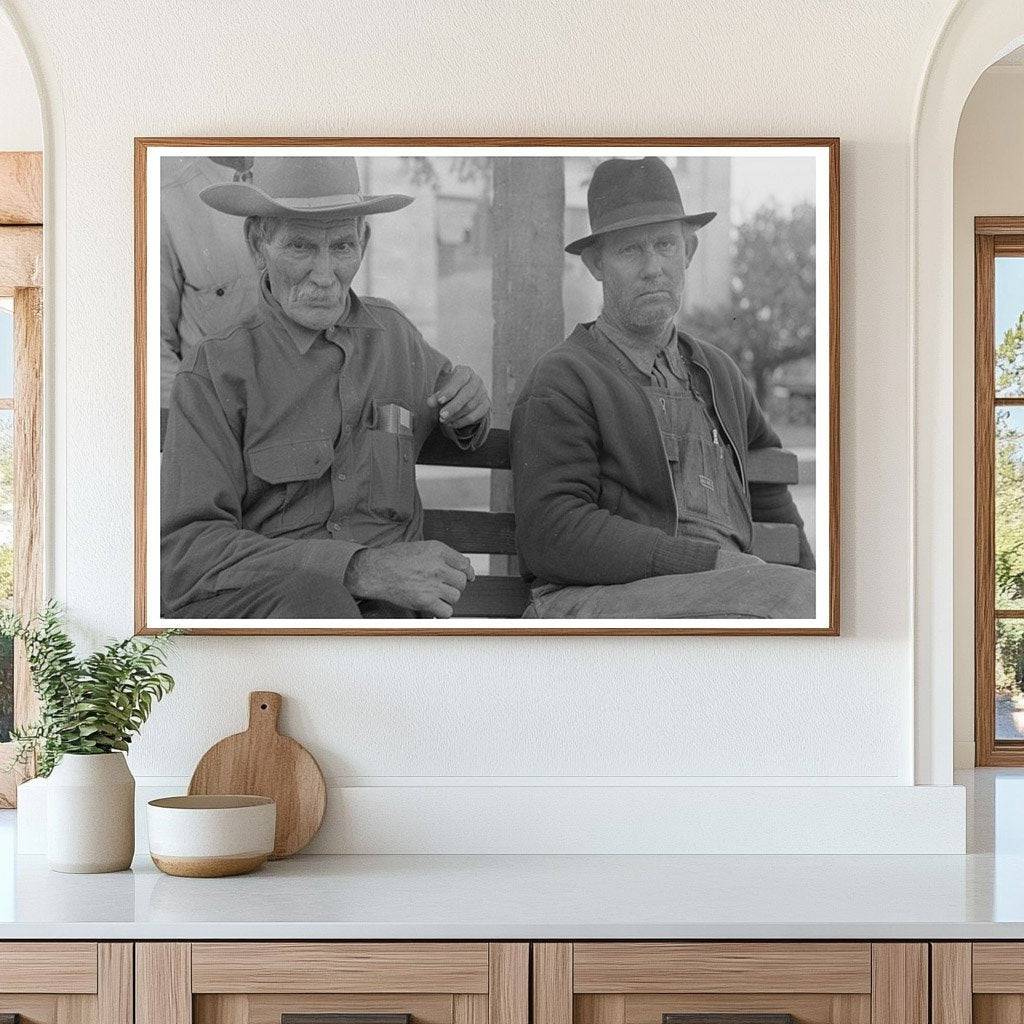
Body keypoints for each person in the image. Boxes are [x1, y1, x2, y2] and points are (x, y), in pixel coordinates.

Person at [161, 156, 491, 620]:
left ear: (364, 241)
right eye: (300, 247)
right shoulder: (215, 372)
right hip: (287, 621)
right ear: (258, 245)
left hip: (393, 622)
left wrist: (471, 409)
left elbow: (457, 405)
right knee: (317, 600)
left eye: (341, 247)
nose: (324, 274)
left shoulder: (395, 338)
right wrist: (356, 568)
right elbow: (186, 553)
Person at [510, 156, 815, 619]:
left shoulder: (720, 373)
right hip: (593, 600)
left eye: (665, 245)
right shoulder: (566, 377)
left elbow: (769, 494)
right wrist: (708, 563)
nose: (653, 267)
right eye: (631, 250)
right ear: (596, 264)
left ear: (689, 252)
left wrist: (815, 589)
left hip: (727, 595)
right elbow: (551, 532)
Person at [160, 157, 261, 410]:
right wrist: (196, 420)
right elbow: (154, 344)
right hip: (212, 418)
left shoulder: (303, 179)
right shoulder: (169, 201)